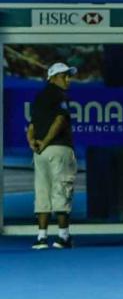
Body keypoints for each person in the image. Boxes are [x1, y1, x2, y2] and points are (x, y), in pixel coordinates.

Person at [29, 62, 78, 249]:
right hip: (58, 149)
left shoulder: (39, 98)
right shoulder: (60, 96)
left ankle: (41, 238)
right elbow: (60, 120)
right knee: (61, 190)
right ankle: (62, 237)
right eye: (64, 75)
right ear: (53, 77)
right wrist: (47, 141)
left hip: (40, 153)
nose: (68, 79)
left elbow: (32, 126)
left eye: (68, 75)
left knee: (42, 192)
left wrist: (33, 142)